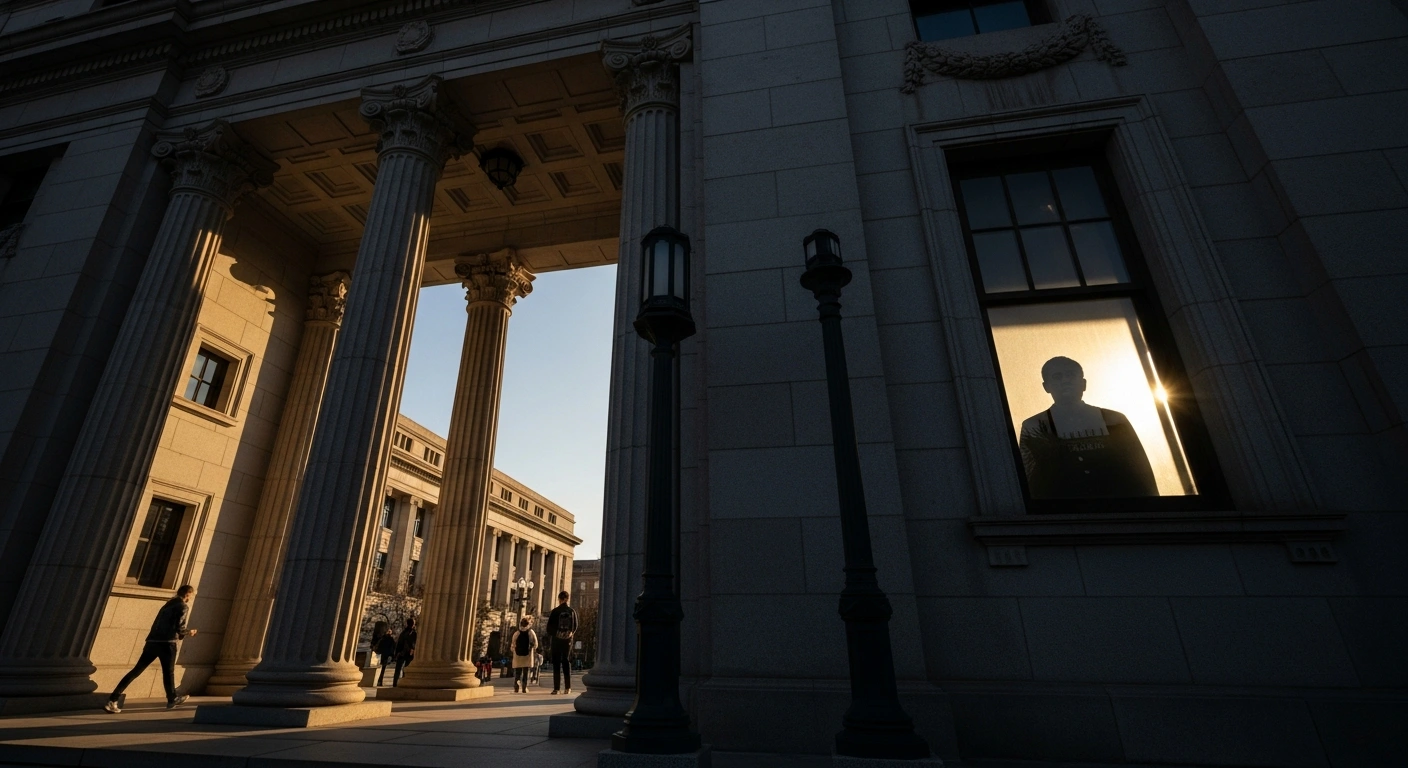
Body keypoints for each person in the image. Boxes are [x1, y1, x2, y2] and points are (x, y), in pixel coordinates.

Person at [1018, 356, 1159, 499]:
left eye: (1071, 375)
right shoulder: (1036, 426)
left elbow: (1141, 470)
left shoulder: (1114, 420)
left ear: (1083, 383)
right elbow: (1030, 479)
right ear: (1046, 386)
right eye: (1057, 377)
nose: (1065, 381)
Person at [104, 585, 198, 713]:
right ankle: (172, 698)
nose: (192, 598)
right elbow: (180, 628)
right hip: (167, 643)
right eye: (192, 595)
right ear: (188, 594)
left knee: (136, 670)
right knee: (168, 673)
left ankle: (113, 698)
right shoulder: (182, 606)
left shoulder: (167, 605)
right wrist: (189, 632)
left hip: (152, 642)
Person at [544, 590, 576, 695]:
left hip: (556, 640)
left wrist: (556, 634)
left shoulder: (555, 611)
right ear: (567, 599)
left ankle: (556, 688)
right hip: (567, 640)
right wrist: (569, 634)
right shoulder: (572, 611)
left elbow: (549, 628)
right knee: (566, 662)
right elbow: (575, 626)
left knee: (556, 663)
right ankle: (568, 688)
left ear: (559, 599)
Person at [510, 617, 537, 693]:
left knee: (518, 673)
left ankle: (516, 687)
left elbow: (513, 645)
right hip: (527, 656)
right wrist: (532, 648)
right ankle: (524, 688)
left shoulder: (517, 633)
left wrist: (514, 650)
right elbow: (536, 644)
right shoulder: (531, 632)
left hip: (518, 656)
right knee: (525, 673)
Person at [392, 617, 417, 686]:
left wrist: (396, 653)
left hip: (402, 653)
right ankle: (403, 683)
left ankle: (395, 683)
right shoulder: (414, 633)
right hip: (408, 653)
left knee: (398, 670)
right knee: (405, 670)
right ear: (413, 624)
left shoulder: (403, 633)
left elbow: (399, 644)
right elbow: (415, 644)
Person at [373, 621, 397, 686]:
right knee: (383, 669)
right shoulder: (390, 639)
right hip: (386, 655)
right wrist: (392, 656)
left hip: (381, 654)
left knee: (380, 668)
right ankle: (380, 681)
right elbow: (393, 648)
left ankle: (378, 680)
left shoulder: (382, 638)